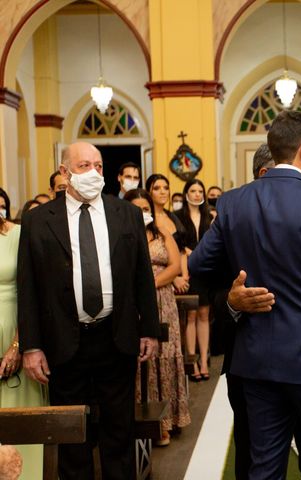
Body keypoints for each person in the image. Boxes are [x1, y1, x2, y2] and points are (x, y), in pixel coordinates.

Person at [189, 110, 301, 479]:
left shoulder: (233, 202)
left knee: (264, 470)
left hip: (257, 361)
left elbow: (199, 266)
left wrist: (236, 288)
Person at [18, 141, 160, 479]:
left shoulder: (125, 213)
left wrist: (149, 329)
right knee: (72, 436)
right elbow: (29, 287)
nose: (94, 173)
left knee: (118, 431)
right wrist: (31, 346)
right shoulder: (38, 220)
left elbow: (143, 275)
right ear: (65, 172)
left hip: (115, 337)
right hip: (64, 342)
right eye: (84, 166)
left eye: (98, 166)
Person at [211, 143, 301, 480]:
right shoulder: (230, 222)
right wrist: (231, 302)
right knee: (251, 455)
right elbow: (207, 282)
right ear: (264, 175)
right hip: (250, 359)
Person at [124, 188, 191, 447]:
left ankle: (167, 421)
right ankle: (141, 424)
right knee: (141, 363)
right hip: (133, 304)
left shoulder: (162, 234)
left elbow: (175, 265)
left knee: (164, 356)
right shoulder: (122, 235)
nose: (142, 213)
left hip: (162, 299)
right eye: (136, 209)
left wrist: (148, 283)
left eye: (145, 209)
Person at [0, 210, 46, 480]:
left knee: (20, 417)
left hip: (14, 329)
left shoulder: (17, 234)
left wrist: (19, 342)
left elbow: (32, 289)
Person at [175, 179, 213, 381]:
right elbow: (177, 246)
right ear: (186, 193)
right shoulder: (178, 216)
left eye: (200, 190)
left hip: (205, 271)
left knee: (205, 315)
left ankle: (205, 361)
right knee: (190, 316)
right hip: (186, 270)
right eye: (193, 190)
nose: (197, 194)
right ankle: (192, 363)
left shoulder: (209, 216)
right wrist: (190, 253)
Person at [145, 174, 189, 295]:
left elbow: (181, 250)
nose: (163, 192)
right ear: (148, 192)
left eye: (166, 188)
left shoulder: (173, 216)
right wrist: (174, 278)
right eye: (157, 188)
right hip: (159, 279)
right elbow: (153, 255)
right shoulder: (148, 220)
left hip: (181, 277)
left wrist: (184, 276)